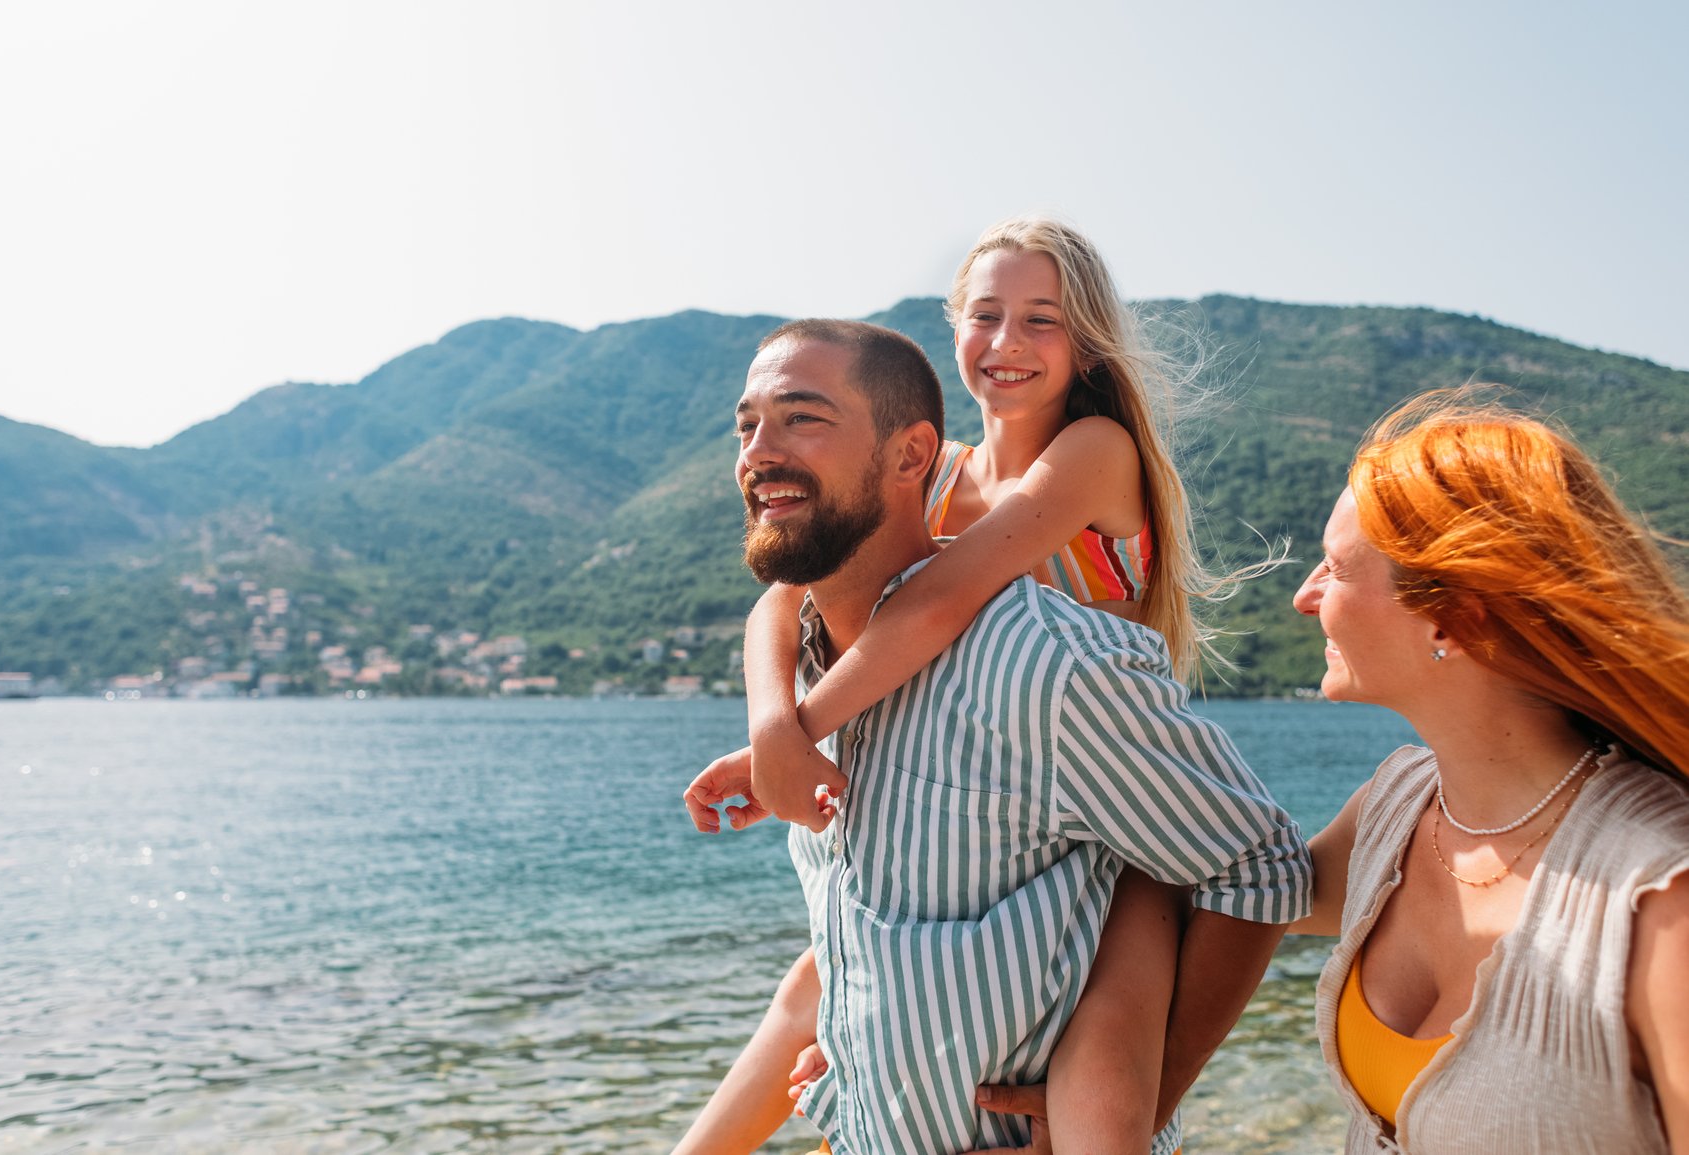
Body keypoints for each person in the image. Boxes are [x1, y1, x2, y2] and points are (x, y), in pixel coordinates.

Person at [683, 217, 1272, 1154]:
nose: (1005, 343)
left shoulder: (1091, 451)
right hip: (998, 823)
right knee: (818, 990)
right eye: (984, 315)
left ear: (1085, 343)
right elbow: (784, 593)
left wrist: (797, 735)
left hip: (1118, 826)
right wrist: (774, 733)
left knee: (1105, 1086)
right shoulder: (940, 468)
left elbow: (934, 606)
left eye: (1040, 319)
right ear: (952, 325)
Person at [1291, 389, 1689, 1153]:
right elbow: (1218, 896)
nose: (1305, 597)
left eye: (1336, 569)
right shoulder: (1395, 808)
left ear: (1454, 616)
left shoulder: (1658, 897)